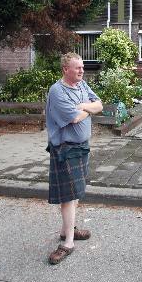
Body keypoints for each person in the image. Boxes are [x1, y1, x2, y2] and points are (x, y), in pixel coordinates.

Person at [45, 52, 103, 265]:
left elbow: (100, 105)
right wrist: (86, 108)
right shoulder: (57, 91)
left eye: (82, 67)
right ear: (65, 70)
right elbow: (75, 117)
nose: (82, 70)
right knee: (68, 197)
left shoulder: (81, 86)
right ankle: (68, 242)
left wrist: (83, 106)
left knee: (76, 192)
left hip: (81, 147)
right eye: (77, 67)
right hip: (65, 149)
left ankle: (65, 230)